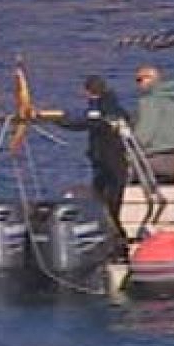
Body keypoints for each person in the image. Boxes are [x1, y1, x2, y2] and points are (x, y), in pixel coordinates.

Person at [55, 75, 131, 233]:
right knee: (111, 202)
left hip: (107, 162)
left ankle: (114, 235)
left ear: (88, 92)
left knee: (106, 203)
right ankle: (113, 233)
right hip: (115, 161)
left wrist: (60, 121)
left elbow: (85, 123)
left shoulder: (100, 108)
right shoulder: (114, 106)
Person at [131, 64, 174, 184]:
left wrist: (130, 150)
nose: (138, 84)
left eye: (140, 79)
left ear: (152, 79)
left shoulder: (149, 102)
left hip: (155, 158)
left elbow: (144, 134)